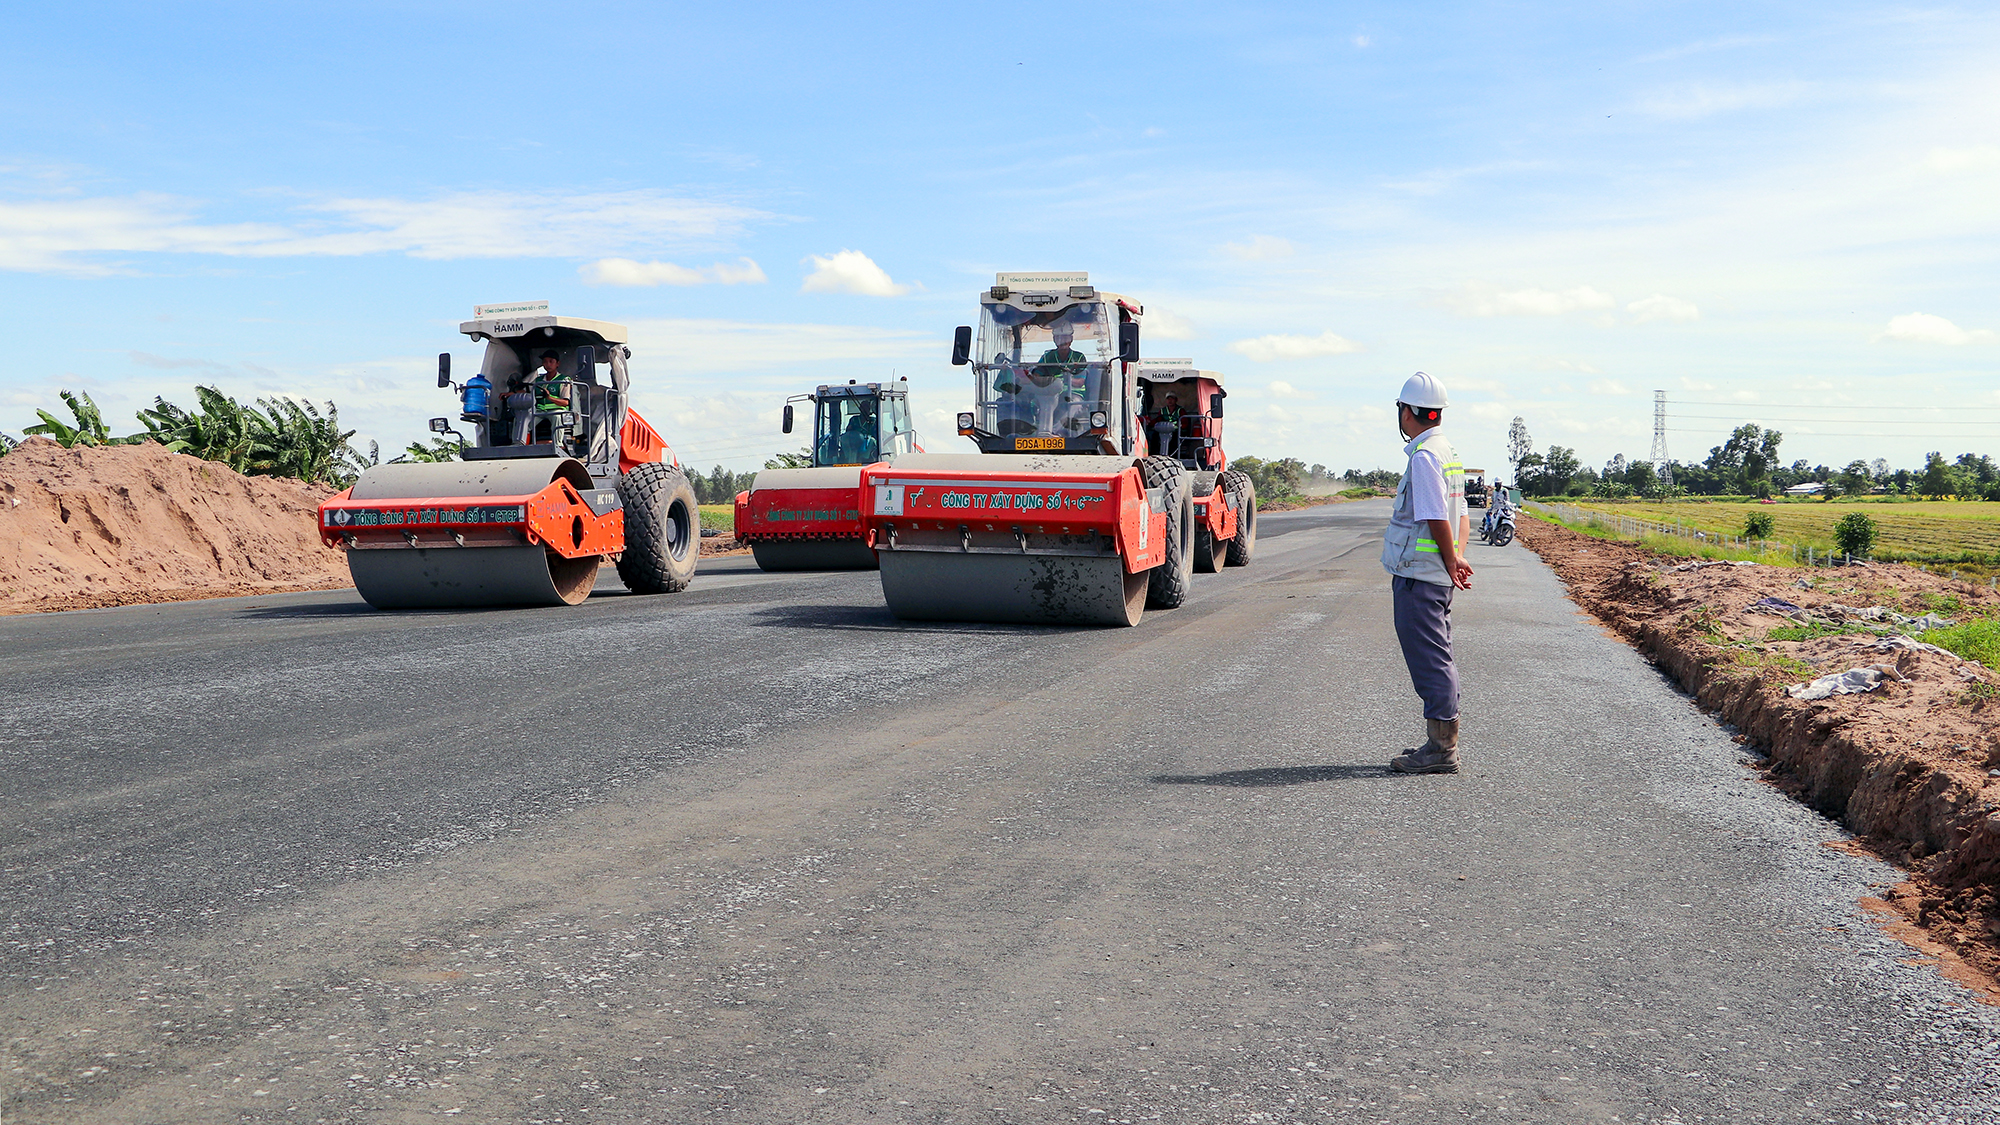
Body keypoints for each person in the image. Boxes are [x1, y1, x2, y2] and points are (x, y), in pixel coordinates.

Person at [1380, 371, 1472, 774]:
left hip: (1419, 576)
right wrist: (1457, 557)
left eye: (1401, 408)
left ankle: (1440, 749)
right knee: (1438, 654)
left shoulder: (1424, 457)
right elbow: (1463, 515)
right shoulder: (1448, 452)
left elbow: (1436, 515)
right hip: (1434, 573)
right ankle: (1440, 741)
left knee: (1430, 659)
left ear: (1407, 413)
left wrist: (1450, 561)